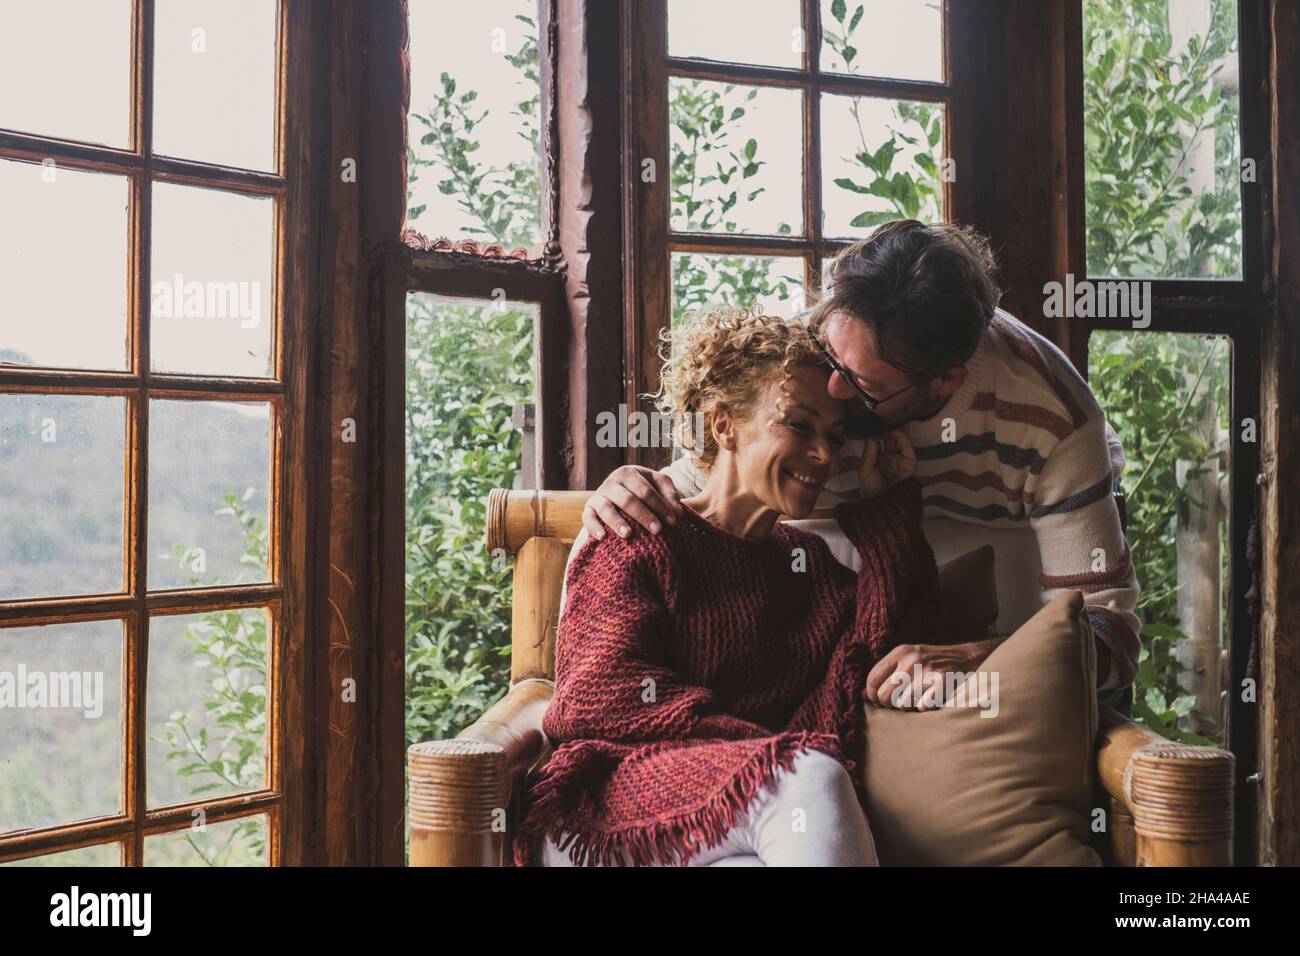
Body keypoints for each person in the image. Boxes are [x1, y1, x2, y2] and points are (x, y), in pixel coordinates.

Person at [582, 220, 1141, 716]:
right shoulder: (799, 356)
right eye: (830, 356)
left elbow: (1110, 640)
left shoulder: (1054, 420)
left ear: (945, 379)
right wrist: (621, 486)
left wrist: (982, 657)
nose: (829, 389)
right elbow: (700, 483)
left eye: (859, 385)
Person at [512, 309, 952, 867]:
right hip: (600, 813)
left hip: (729, 819)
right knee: (808, 772)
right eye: (798, 424)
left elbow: (892, 647)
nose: (823, 455)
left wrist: (890, 511)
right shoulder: (641, 533)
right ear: (723, 425)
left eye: (834, 436)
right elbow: (595, 700)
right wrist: (763, 747)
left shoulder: (807, 565)